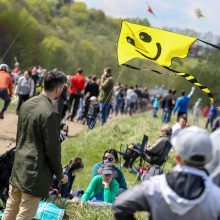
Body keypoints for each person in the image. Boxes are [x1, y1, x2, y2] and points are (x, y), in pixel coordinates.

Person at [113, 126, 220, 220]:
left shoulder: (155, 186)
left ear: (177, 158)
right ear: (209, 160)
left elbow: (120, 206)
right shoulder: (216, 198)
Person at [2, 69, 68, 220]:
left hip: (18, 166)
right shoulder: (51, 113)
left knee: (10, 209)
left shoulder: (27, 103)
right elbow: (53, 149)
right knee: (24, 214)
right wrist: (60, 175)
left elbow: (20, 137)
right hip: (34, 174)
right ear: (58, 88)